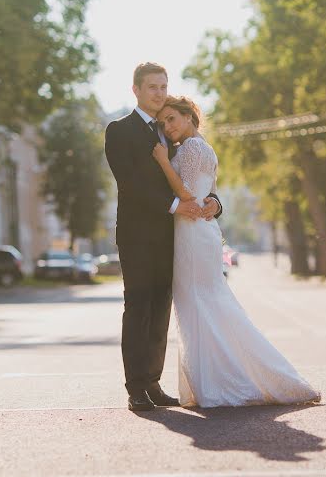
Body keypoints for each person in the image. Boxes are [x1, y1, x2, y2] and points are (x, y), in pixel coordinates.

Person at [153, 95, 321, 408]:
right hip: (198, 233)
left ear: (189, 116)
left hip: (192, 235)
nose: (168, 127)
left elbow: (188, 195)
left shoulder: (190, 148)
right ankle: (217, 379)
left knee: (199, 305)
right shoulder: (202, 147)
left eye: (172, 119)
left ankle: (218, 382)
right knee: (208, 304)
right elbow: (207, 195)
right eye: (164, 123)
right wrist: (211, 202)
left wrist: (163, 161)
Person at [104, 63, 222, 412]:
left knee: (161, 309)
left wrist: (215, 202)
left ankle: (154, 383)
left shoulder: (170, 133)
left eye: (163, 86)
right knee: (138, 306)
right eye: (152, 86)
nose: (158, 92)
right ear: (136, 90)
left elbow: (198, 176)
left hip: (174, 236)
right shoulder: (119, 130)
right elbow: (131, 184)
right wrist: (176, 206)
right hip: (137, 236)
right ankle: (136, 387)